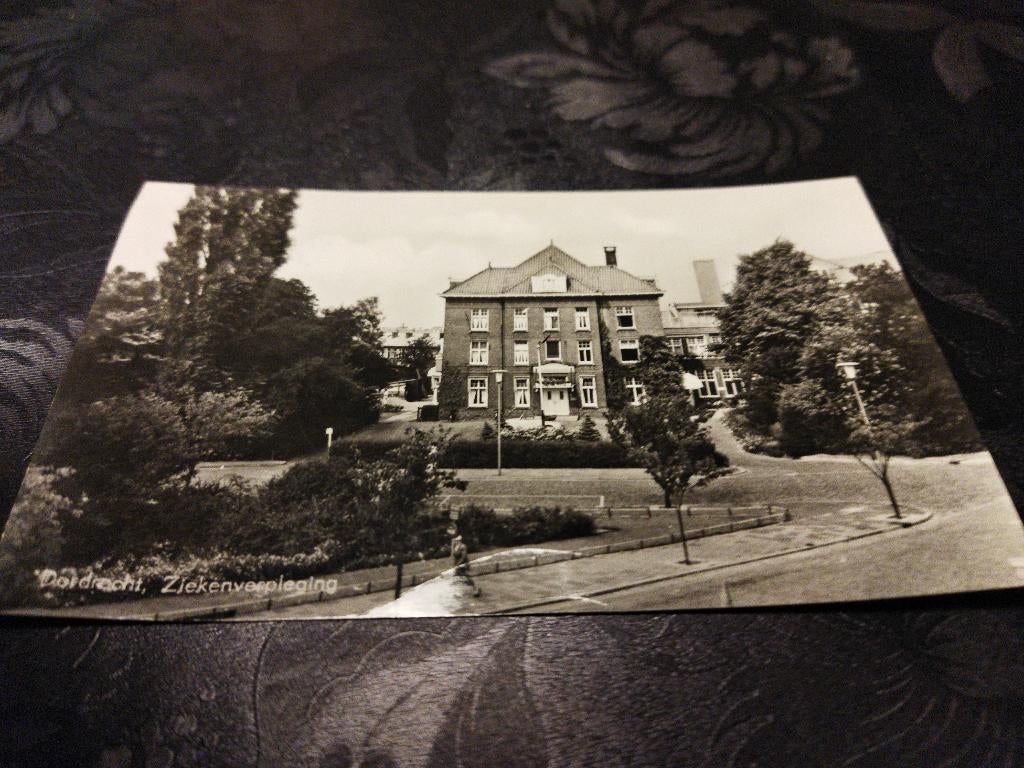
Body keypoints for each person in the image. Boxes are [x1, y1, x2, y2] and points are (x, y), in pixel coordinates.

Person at [450, 531, 481, 597]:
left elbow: (463, 557)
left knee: (466, 577)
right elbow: (453, 555)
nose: (454, 541)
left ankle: (475, 588)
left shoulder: (463, 546)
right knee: (459, 577)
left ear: (459, 540)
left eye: (455, 540)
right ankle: (459, 591)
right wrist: (452, 545)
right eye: (454, 540)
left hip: (463, 564)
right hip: (458, 565)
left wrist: (458, 564)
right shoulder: (455, 546)